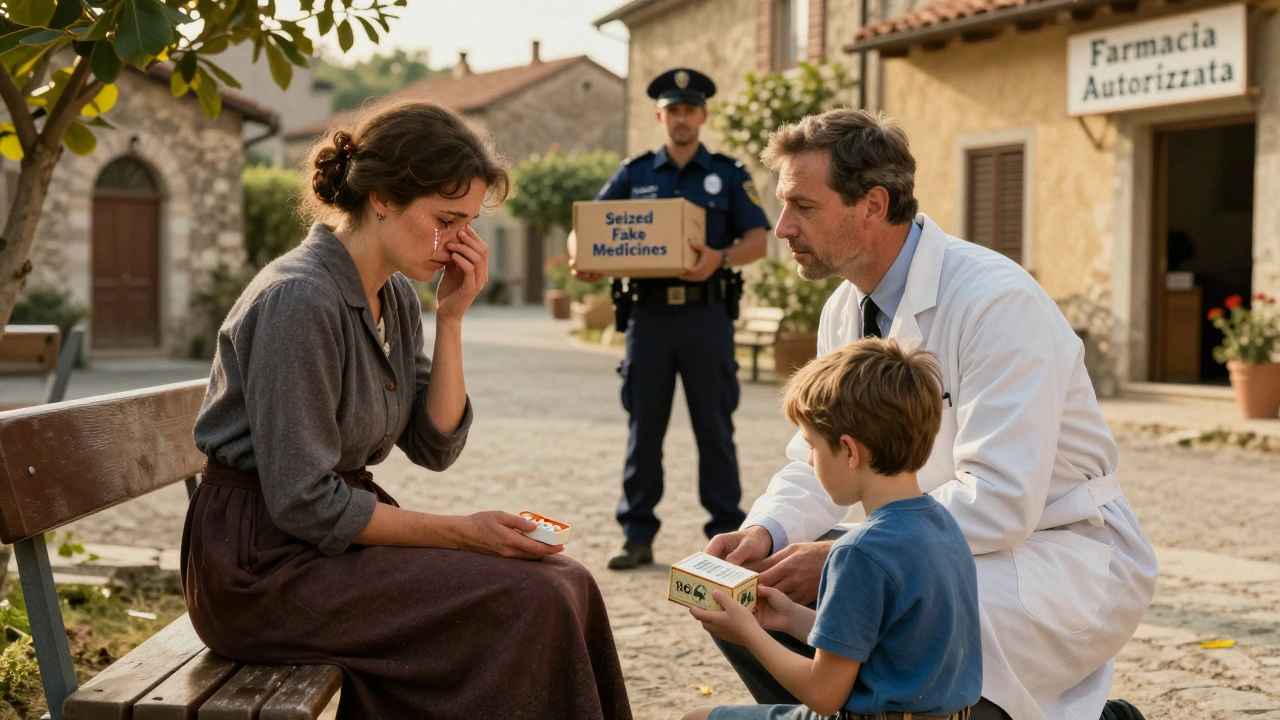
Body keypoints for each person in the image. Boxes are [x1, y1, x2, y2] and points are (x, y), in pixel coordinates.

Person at [184, 99, 631, 720]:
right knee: (531, 599)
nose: (459, 243)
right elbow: (304, 500)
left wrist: (450, 320)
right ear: (383, 198)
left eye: (469, 224)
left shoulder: (392, 293)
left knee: (566, 580)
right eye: (447, 220)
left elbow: (435, 444)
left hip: (321, 548)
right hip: (261, 569)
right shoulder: (299, 300)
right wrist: (460, 532)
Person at [704, 109, 1158, 720]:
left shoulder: (996, 301)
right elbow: (818, 457)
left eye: (803, 207)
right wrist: (767, 534)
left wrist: (842, 557)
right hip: (928, 544)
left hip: (1053, 549)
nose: (782, 227)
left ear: (872, 203)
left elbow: (1000, 499)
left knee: (879, 618)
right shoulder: (844, 310)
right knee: (744, 599)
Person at [685, 338, 981, 720]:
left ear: (849, 451)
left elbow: (824, 695)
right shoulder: (943, 525)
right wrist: (789, 616)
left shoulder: (858, 552)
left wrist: (749, 633)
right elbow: (875, 641)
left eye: (812, 447)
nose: (809, 459)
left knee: (696, 718)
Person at [570, 67, 771, 570]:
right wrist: (582, 256)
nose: (681, 118)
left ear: (702, 115)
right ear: (660, 116)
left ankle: (727, 536)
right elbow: (588, 228)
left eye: (690, 109)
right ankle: (637, 535)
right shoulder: (634, 173)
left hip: (706, 318)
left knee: (715, 431)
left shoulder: (728, 173)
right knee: (645, 430)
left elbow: (757, 241)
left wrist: (719, 258)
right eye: (672, 110)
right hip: (649, 318)